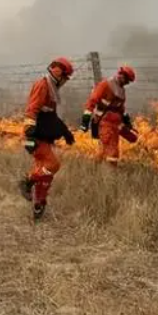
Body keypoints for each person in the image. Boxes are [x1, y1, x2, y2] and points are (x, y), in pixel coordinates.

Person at [18, 57, 76, 220]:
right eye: (65, 77)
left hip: (41, 135)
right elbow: (32, 109)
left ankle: (39, 204)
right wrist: (29, 130)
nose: (66, 81)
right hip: (32, 136)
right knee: (53, 165)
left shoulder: (51, 89)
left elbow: (50, 115)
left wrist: (64, 131)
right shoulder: (42, 85)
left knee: (46, 173)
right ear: (58, 73)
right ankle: (27, 182)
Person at [79, 65, 136, 167]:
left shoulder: (122, 91)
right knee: (110, 149)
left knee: (106, 148)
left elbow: (121, 109)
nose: (127, 84)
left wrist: (128, 123)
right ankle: (111, 174)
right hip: (104, 121)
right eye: (127, 81)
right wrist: (85, 121)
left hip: (115, 123)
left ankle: (94, 169)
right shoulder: (105, 85)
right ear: (122, 76)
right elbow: (92, 101)